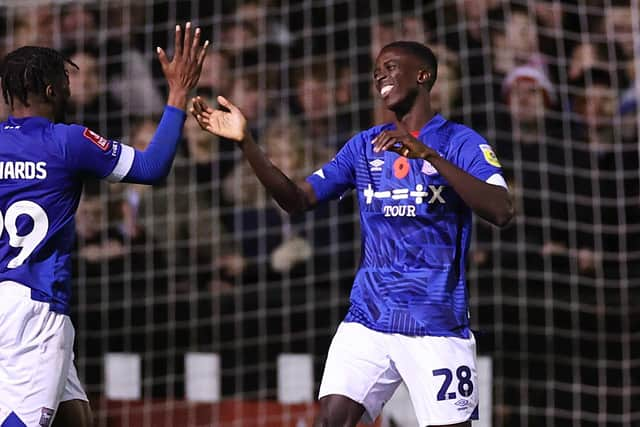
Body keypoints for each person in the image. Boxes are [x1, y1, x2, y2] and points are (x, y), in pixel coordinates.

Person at [192, 40, 513, 427]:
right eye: (377, 69)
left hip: (434, 324)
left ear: (423, 76)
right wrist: (247, 142)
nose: (381, 74)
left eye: (392, 67)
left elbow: (501, 209)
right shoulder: (364, 147)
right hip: (368, 318)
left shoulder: (461, 142)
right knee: (331, 419)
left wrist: (428, 155)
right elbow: (296, 200)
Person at [0, 22, 208, 427]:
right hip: (35, 306)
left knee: (75, 419)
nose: (70, 89)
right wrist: (179, 93)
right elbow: (152, 167)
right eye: (65, 81)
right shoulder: (67, 141)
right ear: (50, 90)